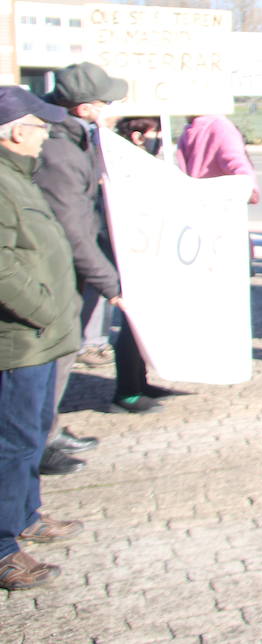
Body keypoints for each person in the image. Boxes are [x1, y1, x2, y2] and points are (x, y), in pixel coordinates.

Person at [34, 63, 165, 433]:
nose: (110, 107)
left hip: (73, 266)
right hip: (60, 270)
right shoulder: (59, 152)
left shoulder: (77, 139)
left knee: (63, 351)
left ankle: (47, 432)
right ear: (83, 108)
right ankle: (42, 439)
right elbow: (73, 228)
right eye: (104, 101)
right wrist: (111, 284)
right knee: (56, 354)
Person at [0, 86, 85, 590]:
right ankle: (4, 547)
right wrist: (44, 309)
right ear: (13, 132)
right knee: (12, 442)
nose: (47, 135)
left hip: (43, 337)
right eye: (39, 127)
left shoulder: (20, 178)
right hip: (21, 339)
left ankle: (27, 514)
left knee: (31, 436)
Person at [174, 115, 259, 203]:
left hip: (214, 203)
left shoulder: (219, 127)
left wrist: (249, 188)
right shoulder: (191, 130)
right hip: (207, 203)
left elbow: (236, 162)